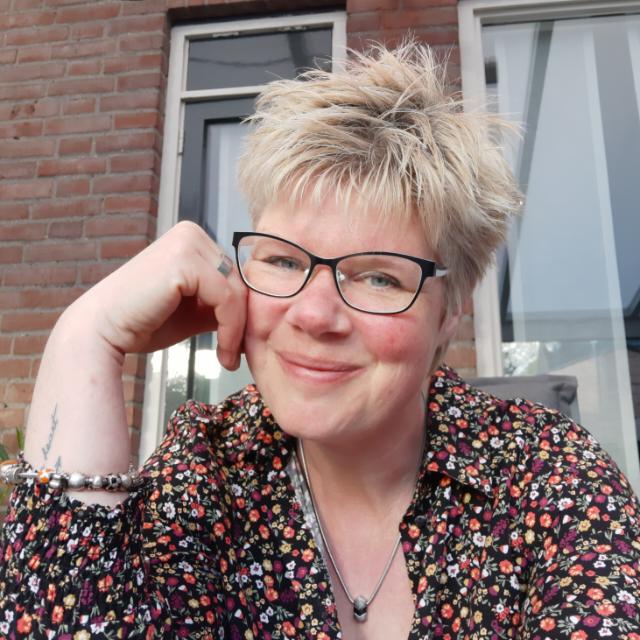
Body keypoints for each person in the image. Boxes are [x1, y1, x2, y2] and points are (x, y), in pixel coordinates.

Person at [0, 41, 639, 640]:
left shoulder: (548, 475)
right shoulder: (205, 469)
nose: (314, 315)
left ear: (451, 313)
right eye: (283, 261)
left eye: (380, 277)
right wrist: (84, 337)